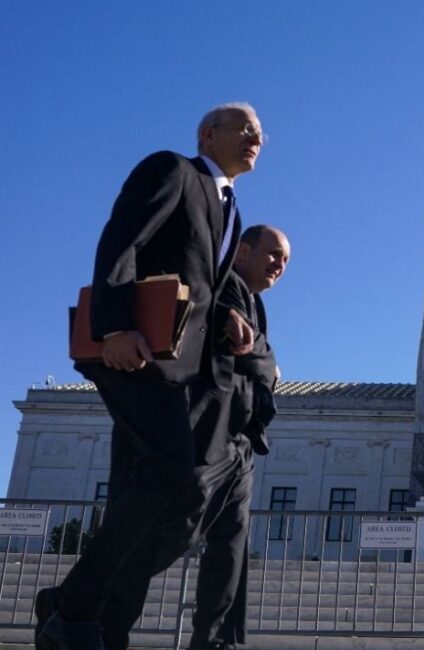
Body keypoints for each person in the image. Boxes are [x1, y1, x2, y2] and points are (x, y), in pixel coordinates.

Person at [36, 103, 265, 650]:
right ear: (208, 134)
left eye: (261, 133)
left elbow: (193, 277)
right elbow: (122, 240)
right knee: (169, 470)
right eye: (245, 128)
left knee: (151, 483)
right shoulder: (173, 170)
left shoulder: (229, 205)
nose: (256, 138)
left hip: (182, 366)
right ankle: (70, 605)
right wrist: (113, 327)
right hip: (136, 353)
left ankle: (82, 616)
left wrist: (225, 314)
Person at [96, 224, 289, 650]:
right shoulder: (223, 287)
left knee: (231, 543)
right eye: (273, 253)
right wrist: (268, 361)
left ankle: (217, 640)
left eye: (286, 260)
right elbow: (245, 353)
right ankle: (92, 607)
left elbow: (250, 353)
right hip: (204, 428)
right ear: (240, 250)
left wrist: (260, 359)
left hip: (240, 438)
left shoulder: (253, 301)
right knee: (175, 526)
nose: (280, 264)